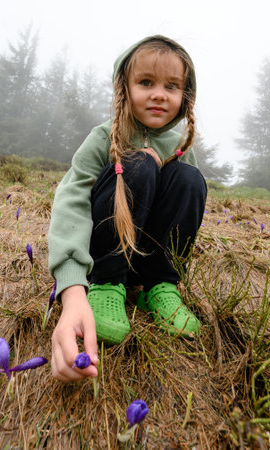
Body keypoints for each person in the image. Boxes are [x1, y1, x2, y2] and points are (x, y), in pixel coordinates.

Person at [48, 35, 207, 382]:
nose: (159, 94)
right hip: (103, 256)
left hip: (148, 259)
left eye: (172, 85)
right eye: (146, 82)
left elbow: (181, 211)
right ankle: (107, 285)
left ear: (185, 96)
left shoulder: (182, 148)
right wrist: (74, 290)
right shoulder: (104, 137)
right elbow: (72, 200)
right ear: (125, 86)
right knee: (137, 164)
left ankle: (160, 286)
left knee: (190, 179)